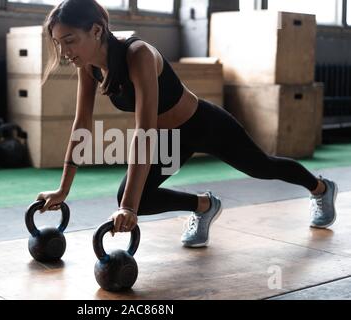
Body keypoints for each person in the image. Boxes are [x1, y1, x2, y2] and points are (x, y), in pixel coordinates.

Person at [36, 0, 338, 247]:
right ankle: (205, 206)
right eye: (58, 43)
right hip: (172, 141)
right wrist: (63, 190)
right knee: (134, 198)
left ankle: (320, 188)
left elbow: (144, 131)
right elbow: (82, 125)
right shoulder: (88, 67)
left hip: (204, 125)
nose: (64, 53)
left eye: (70, 41)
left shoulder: (137, 54)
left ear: (96, 30)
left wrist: (127, 207)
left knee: (263, 166)